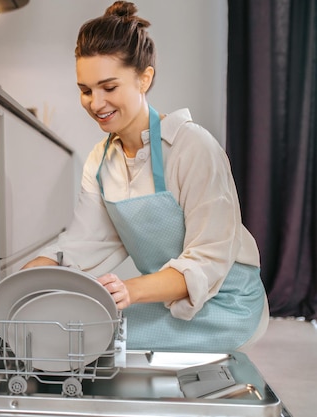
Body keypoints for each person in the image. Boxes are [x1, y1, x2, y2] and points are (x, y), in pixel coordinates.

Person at [22, 1, 269, 352]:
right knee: (81, 329)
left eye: (109, 87)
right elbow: (84, 242)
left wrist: (132, 290)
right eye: (86, 90)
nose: (95, 103)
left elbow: (208, 259)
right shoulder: (100, 161)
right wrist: (32, 275)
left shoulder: (191, 146)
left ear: (144, 78)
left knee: (95, 338)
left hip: (225, 302)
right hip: (164, 301)